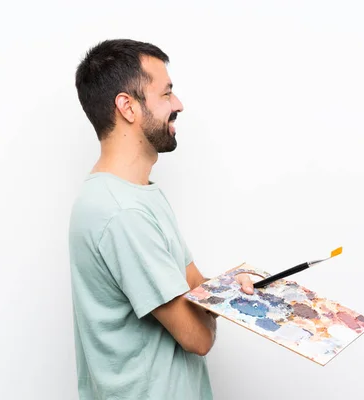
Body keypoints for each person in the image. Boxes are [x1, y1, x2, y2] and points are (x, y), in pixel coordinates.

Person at [69, 38, 253, 400]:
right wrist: (216, 304)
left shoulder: (140, 193)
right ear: (128, 107)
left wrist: (234, 287)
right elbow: (197, 338)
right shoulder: (121, 213)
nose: (178, 104)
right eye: (166, 93)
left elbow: (195, 282)